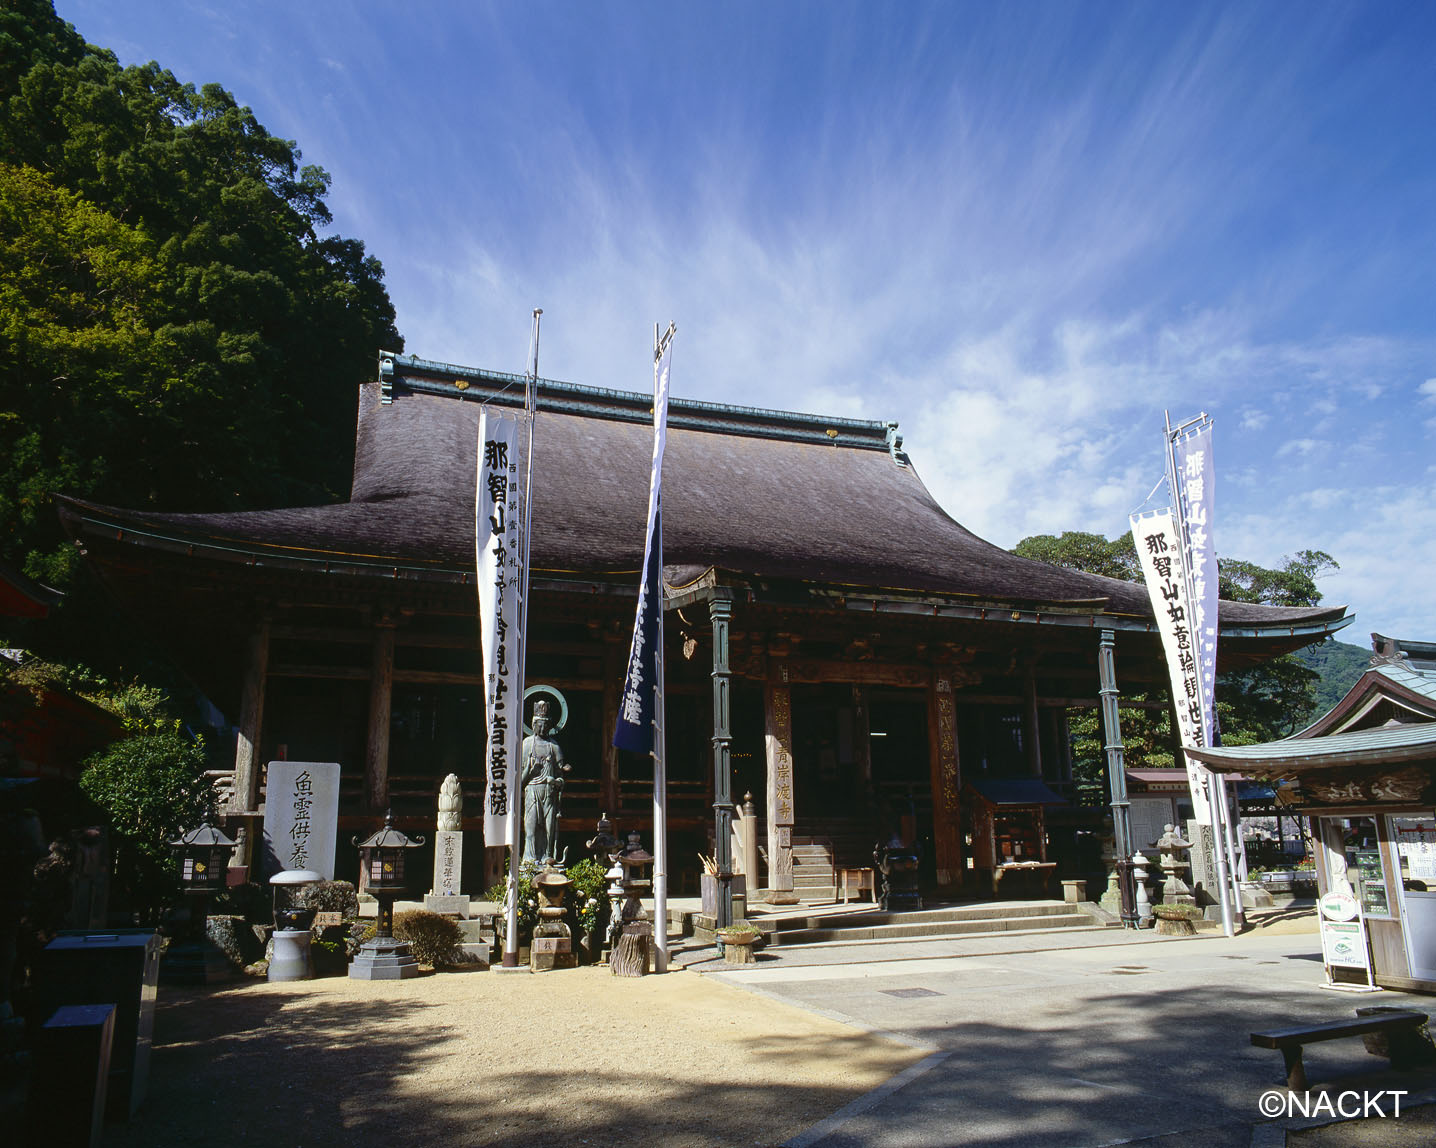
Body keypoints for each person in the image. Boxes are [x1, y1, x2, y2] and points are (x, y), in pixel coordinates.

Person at [521, 699, 570, 865]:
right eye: (539, 724)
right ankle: (530, 860)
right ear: (533, 724)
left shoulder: (554, 746)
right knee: (531, 829)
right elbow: (519, 782)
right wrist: (530, 771)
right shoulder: (526, 745)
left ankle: (548, 857)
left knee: (549, 830)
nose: (542, 728)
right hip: (532, 791)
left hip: (549, 793)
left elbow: (561, 776)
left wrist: (556, 782)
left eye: (545, 725)